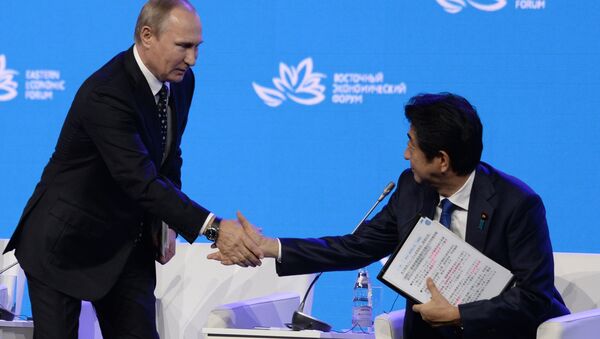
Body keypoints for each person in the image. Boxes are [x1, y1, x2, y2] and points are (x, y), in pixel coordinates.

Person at [209, 93, 570, 339]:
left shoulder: (517, 204)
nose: (404, 154)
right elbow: (356, 247)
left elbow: (534, 296)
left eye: (412, 145)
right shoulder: (413, 189)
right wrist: (271, 247)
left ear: (442, 160)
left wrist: (460, 314)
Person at [3, 1, 261, 338]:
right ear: (147, 36)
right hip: (63, 244)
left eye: (197, 47)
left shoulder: (182, 81)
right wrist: (213, 228)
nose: (193, 59)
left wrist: (165, 224)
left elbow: (168, 156)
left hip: (125, 245)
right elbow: (139, 179)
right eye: (183, 46)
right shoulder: (107, 93)